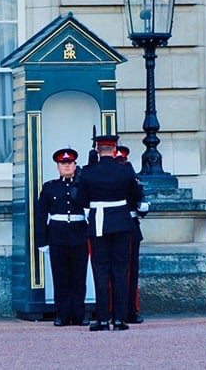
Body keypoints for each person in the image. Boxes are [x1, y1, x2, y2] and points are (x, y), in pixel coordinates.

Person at [77, 133, 141, 332]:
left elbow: (81, 199)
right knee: (121, 271)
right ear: (114, 150)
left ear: (97, 150)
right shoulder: (126, 170)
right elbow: (135, 195)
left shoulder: (88, 171)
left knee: (101, 271)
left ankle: (103, 319)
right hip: (121, 222)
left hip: (99, 223)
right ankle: (120, 319)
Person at [35, 147, 89, 327]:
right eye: (63, 163)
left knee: (79, 277)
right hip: (57, 235)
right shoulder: (50, 187)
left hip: (79, 233)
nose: (66, 166)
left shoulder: (82, 185)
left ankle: (79, 314)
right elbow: (41, 215)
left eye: (70, 163)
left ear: (75, 165)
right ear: (58, 166)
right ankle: (62, 314)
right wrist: (42, 240)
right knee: (60, 277)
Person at [115, 144, 148, 324]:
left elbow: (139, 201)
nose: (122, 164)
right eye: (118, 161)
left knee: (131, 272)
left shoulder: (132, 179)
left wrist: (143, 206)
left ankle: (130, 309)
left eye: (123, 161)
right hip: (116, 225)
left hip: (131, 227)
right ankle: (115, 308)